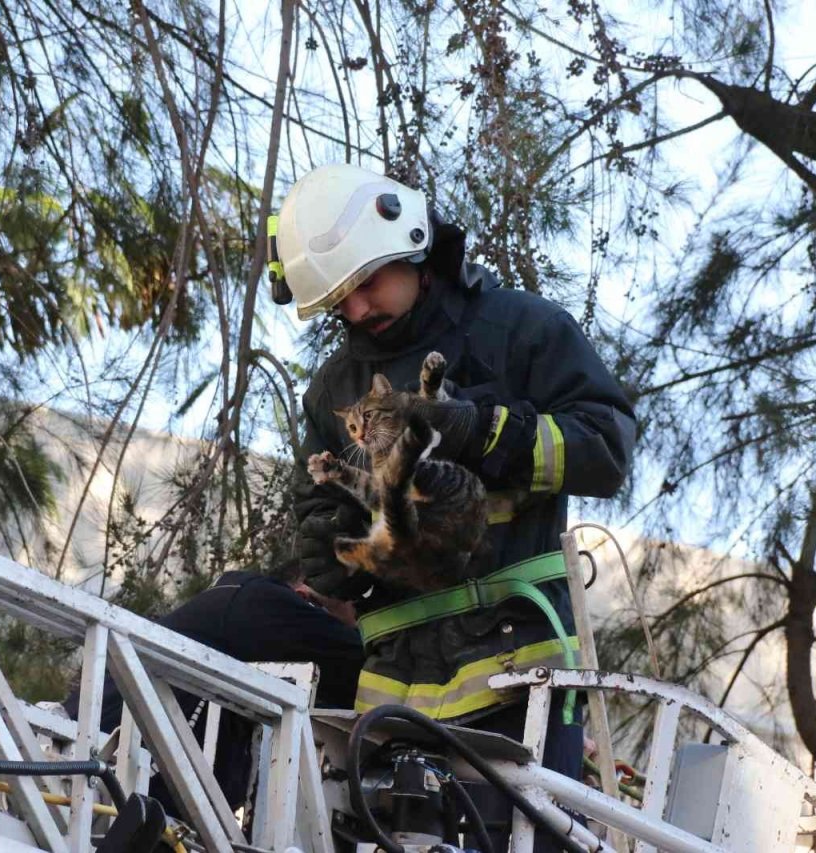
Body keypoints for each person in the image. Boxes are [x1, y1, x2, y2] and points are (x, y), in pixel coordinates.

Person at [268, 163, 636, 846]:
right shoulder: (332, 390)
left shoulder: (520, 331)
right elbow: (325, 546)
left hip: (515, 676)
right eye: (338, 301)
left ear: (410, 246)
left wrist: (488, 431)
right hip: (390, 698)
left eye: (365, 284)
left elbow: (608, 448)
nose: (355, 311)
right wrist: (329, 549)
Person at [63, 561, 364, 810]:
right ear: (306, 597)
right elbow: (358, 663)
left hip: (105, 779)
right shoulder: (260, 603)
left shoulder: (228, 607)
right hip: (106, 779)